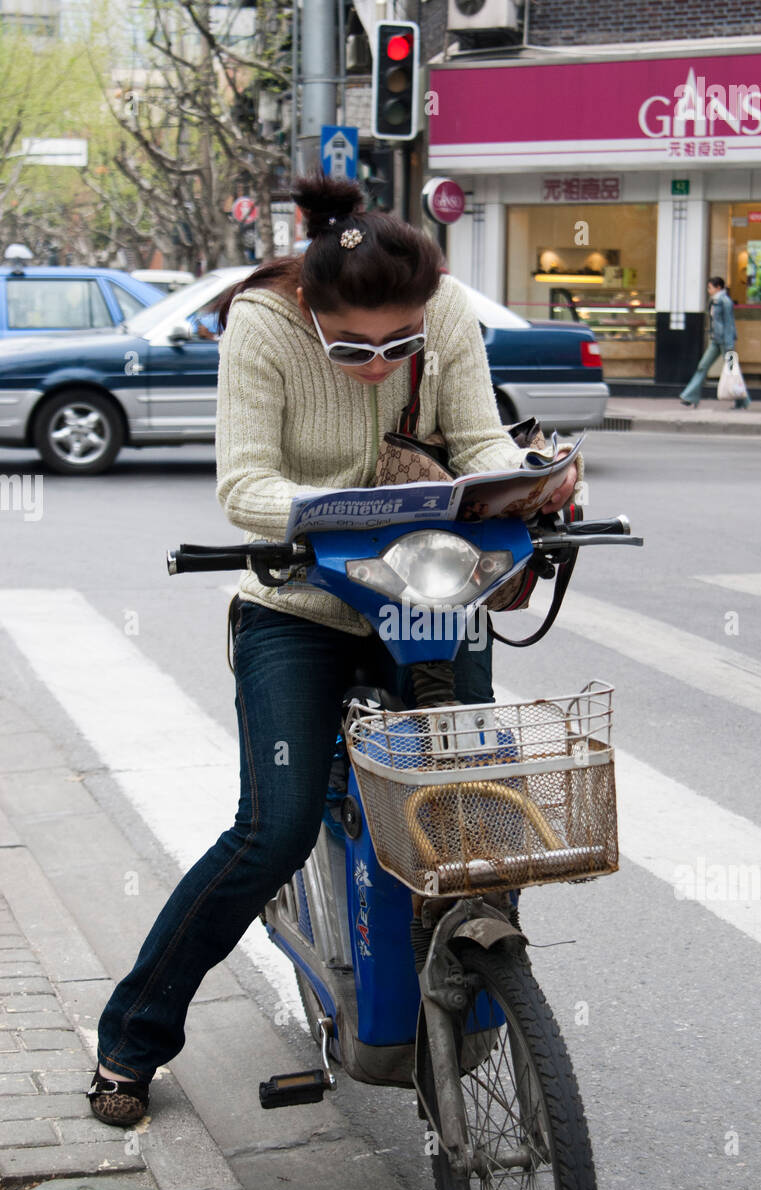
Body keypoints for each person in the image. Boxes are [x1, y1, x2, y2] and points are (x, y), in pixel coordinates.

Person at [87, 171, 579, 1127]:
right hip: (298, 602)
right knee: (269, 833)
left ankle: (465, 1006)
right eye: (356, 346)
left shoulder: (446, 319)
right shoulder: (263, 324)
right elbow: (245, 483)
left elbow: (478, 439)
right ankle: (130, 1042)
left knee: (471, 823)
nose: (380, 361)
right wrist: (328, 516)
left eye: (401, 343)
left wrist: (525, 484)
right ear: (313, 308)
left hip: (431, 595)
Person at [679, 277, 751, 409]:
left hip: (725, 341)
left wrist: (729, 344)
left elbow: (729, 323)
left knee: (732, 369)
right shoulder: (715, 301)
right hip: (716, 340)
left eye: (710, 287)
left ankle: (742, 400)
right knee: (703, 366)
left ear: (718, 288)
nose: (708, 290)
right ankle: (690, 396)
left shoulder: (725, 302)